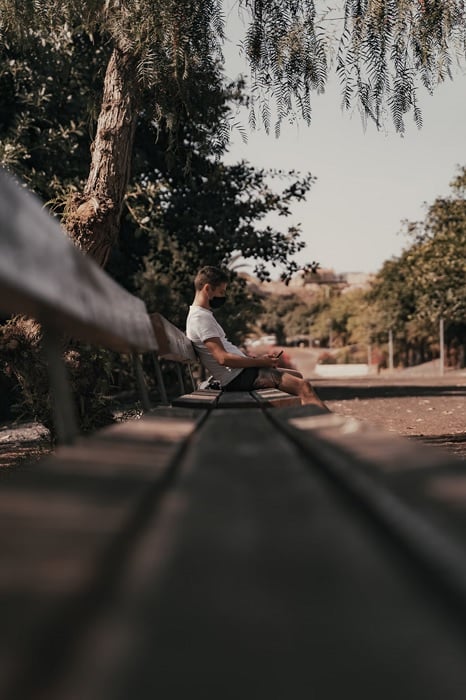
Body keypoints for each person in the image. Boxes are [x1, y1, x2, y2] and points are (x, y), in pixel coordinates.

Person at [186, 266, 327, 408]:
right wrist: (259, 362)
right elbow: (223, 358)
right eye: (221, 292)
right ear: (208, 288)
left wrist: (258, 361)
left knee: (297, 376)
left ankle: (298, 421)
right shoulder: (200, 318)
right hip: (237, 378)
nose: (223, 296)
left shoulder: (202, 315)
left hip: (240, 375)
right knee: (304, 387)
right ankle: (330, 427)